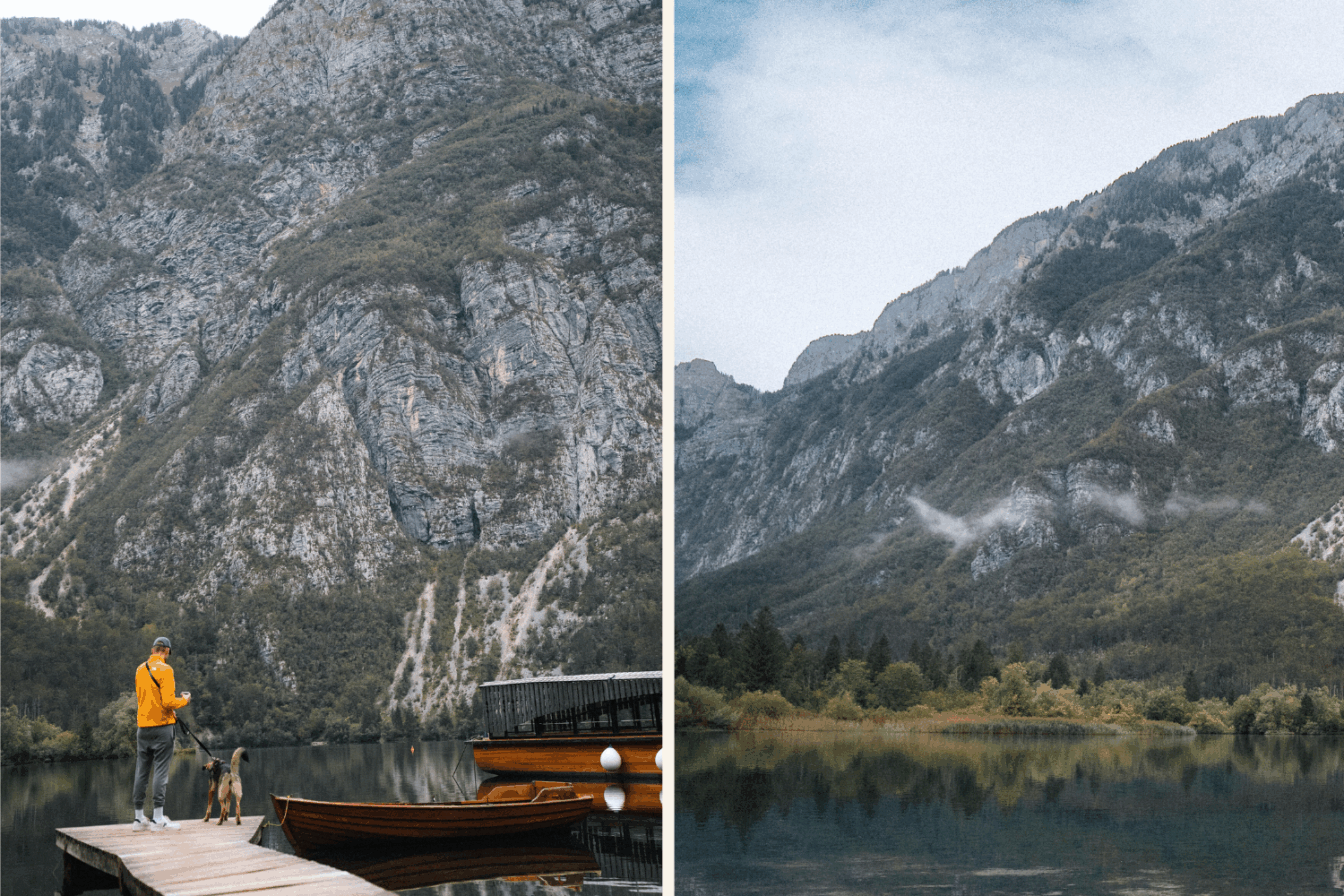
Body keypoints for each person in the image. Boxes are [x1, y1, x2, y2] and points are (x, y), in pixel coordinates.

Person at [131, 636, 191, 831]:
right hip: (162, 728)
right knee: (161, 771)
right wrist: (183, 700)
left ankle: (139, 819)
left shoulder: (140, 669)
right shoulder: (166, 670)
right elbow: (167, 702)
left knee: (141, 771)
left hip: (143, 728)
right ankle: (158, 818)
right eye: (168, 653)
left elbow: (143, 698)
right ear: (165, 651)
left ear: (153, 649)